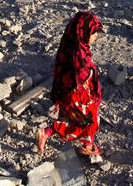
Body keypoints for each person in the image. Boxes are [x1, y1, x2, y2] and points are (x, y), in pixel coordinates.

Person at [36, 11, 103, 157]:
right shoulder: (79, 54)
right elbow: (82, 75)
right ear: (84, 33)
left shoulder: (71, 47)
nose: (96, 36)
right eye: (94, 33)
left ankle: (48, 133)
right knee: (87, 120)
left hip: (70, 95)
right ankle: (88, 146)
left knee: (73, 119)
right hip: (79, 97)